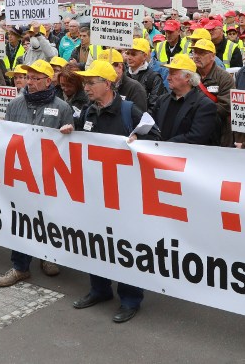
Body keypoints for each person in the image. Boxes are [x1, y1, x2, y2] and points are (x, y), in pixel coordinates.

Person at [72, 60, 160, 323]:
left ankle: (130, 298)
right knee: (95, 242)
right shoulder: (87, 112)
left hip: (126, 196)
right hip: (95, 191)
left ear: (107, 84)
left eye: (91, 83)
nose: (86, 87)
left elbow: (157, 138)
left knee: (125, 246)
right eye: (85, 83)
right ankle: (99, 289)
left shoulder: (130, 111)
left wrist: (139, 141)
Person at [0, 59, 75, 287]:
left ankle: (47, 256)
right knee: (20, 219)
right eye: (27, 77)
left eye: (35, 78)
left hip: (48, 174)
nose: (29, 82)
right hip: (21, 173)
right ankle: (20, 266)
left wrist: (69, 132)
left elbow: (70, 148)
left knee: (48, 217)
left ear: (48, 81)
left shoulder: (62, 108)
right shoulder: (15, 105)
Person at [153, 54, 219, 144]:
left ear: (187, 77)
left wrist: (165, 145)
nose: (168, 77)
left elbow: (196, 137)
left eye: (172, 73)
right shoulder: (162, 100)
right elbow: (153, 128)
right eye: (168, 73)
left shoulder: (204, 105)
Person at [190, 38, 235, 147]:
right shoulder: (189, 75)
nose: (196, 56)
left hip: (218, 134)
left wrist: (197, 110)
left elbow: (225, 106)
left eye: (202, 53)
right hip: (193, 130)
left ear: (213, 56)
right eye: (195, 52)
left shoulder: (224, 78)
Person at [124, 38, 165, 115]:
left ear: (145, 56)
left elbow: (155, 107)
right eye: (128, 53)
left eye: (133, 54)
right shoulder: (123, 75)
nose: (129, 57)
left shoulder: (154, 78)